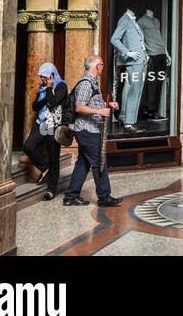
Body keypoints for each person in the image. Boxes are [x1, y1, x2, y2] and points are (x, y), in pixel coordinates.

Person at [63, 55, 121, 208]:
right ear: (97, 66)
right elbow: (79, 107)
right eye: (102, 64)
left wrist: (108, 105)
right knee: (99, 162)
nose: (102, 67)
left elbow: (90, 104)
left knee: (83, 163)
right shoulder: (86, 83)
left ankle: (71, 196)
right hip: (87, 131)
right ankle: (104, 197)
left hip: (89, 129)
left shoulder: (92, 82)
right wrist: (100, 111)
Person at [22, 62, 67, 201]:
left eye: (44, 76)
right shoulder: (42, 88)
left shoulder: (61, 86)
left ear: (52, 75)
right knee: (28, 146)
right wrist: (46, 90)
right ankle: (44, 168)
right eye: (41, 77)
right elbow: (35, 106)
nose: (42, 79)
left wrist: (48, 89)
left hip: (53, 125)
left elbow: (53, 102)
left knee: (54, 158)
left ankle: (51, 190)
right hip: (41, 123)